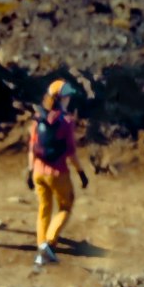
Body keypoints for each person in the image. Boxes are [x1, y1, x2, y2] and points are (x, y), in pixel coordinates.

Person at [24, 66, 92, 262]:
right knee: (65, 206)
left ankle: (40, 245)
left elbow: (31, 147)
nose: (69, 99)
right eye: (66, 96)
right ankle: (48, 245)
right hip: (57, 173)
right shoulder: (66, 122)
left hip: (38, 171)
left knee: (44, 209)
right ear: (61, 99)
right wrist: (81, 173)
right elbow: (70, 152)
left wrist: (29, 172)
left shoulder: (37, 120)